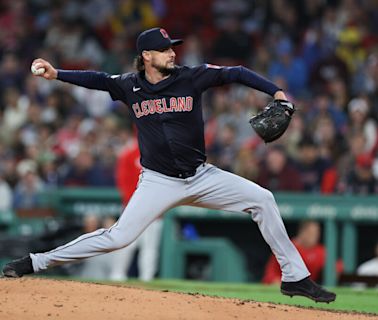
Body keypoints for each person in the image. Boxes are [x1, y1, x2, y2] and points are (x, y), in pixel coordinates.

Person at [3, 27, 335, 303]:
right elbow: (98, 79)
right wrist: (57, 73)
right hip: (158, 182)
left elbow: (236, 73)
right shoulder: (130, 85)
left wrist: (276, 92)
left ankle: (295, 277)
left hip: (201, 176)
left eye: (172, 48)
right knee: (119, 237)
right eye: (164, 50)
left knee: (263, 199)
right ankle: (36, 262)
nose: (172, 53)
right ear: (146, 56)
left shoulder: (192, 77)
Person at [110, 134, 162, 281]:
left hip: (154, 209)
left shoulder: (158, 153)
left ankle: (147, 278)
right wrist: (132, 204)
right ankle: (117, 275)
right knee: (126, 243)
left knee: (150, 247)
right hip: (133, 208)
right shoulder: (129, 153)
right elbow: (123, 182)